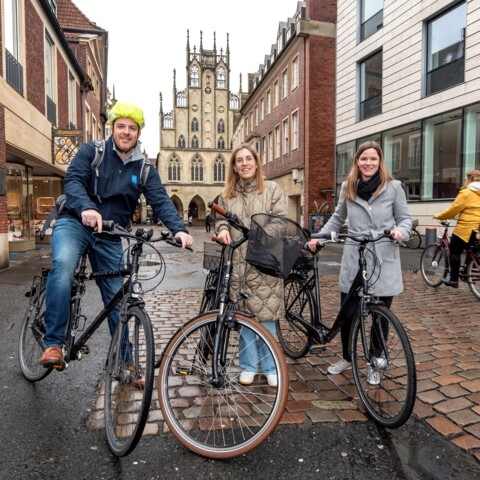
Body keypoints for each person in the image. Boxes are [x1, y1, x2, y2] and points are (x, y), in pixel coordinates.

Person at [39, 102, 193, 368]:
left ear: (138, 134)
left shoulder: (144, 168)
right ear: (112, 128)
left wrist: (179, 229)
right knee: (63, 266)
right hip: (75, 222)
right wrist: (86, 207)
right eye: (121, 126)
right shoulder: (93, 151)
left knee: (116, 299)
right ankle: (54, 344)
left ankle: (125, 364)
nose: (126, 132)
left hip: (110, 234)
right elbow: (73, 180)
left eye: (132, 128)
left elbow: (160, 200)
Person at [308, 140, 412, 385]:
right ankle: (346, 357)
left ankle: (375, 361)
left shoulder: (394, 187)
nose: (368, 163)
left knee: (380, 315)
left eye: (373, 159)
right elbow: (337, 218)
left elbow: (405, 219)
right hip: (355, 255)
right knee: (349, 313)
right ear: (357, 161)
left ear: (379, 162)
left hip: (383, 257)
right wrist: (319, 238)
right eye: (364, 159)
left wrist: (401, 232)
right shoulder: (348, 187)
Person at [215, 144, 287, 387]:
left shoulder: (273, 189)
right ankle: (248, 364)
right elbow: (220, 220)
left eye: (249, 159)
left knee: (266, 315)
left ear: (256, 163)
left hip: (264, 261)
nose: (244, 163)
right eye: (239, 160)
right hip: (237, 263)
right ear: (234, 167)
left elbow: (281, 221)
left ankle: (269, 365)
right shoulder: (227, 194)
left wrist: (259, 235)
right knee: (244, 316)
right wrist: (223, 230)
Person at [433, 170, 480, 288]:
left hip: (467, 227)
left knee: (454, 250)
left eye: (466, 178)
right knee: (473, 249)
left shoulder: (467, 192)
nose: (465, 181)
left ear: (470, 179)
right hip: (478, 227)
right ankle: (468, 270)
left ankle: (454, 279)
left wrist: (439, 216)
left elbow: (454, 209)